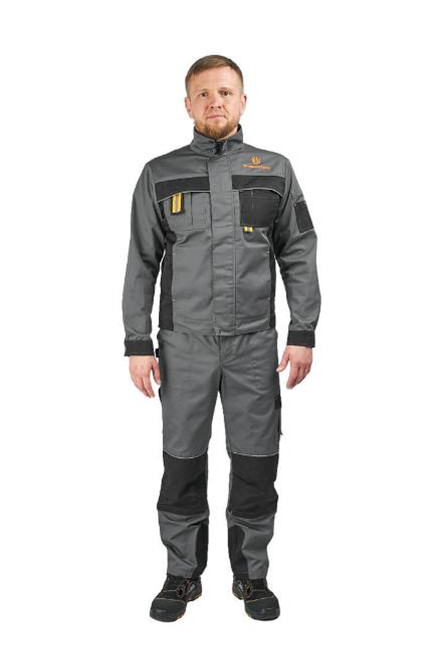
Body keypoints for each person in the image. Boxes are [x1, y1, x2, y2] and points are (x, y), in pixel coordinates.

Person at [122, 54, 321, 622]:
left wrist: (302, 331)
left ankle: (252, 576)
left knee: (256, 460)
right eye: (204, 94)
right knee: (182, 461)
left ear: (243, 101)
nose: (215, 102)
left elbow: (299, 252)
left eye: (226, 92)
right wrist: (137, 342)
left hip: (254, 345)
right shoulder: (159, 173)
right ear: (187, 105)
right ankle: (181, 574)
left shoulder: (275, 170)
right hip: (181, 346)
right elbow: (141, 261)